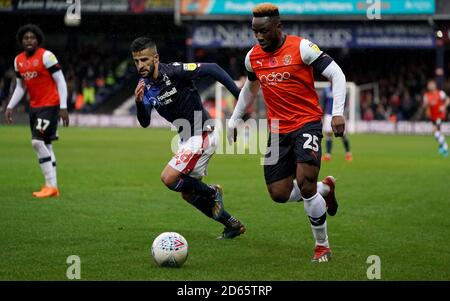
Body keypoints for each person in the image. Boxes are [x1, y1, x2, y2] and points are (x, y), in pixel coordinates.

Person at [227, 3, 346, 262]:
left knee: (304, 184)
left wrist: (337, 111)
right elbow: (250, 87)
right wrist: (234, 119)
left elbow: (336, 73)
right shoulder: (253, 57)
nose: (259, 37)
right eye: (255, 32)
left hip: (307, 123)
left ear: (278, 27)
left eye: (264, 31)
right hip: (277, 130)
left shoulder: (301, 47)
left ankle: (322, 246)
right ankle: (325, 189)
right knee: (278, 194)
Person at [130, 37, 246, 239]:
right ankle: (232, 225)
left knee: (168, 178)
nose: (140, 65)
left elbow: (213, 68)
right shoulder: (145, 87)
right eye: (137, 61)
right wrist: (139, 103)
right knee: (188, 192)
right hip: (187, 138)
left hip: (203, 132)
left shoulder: (175, 71)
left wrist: (240, 96)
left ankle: (212, 191)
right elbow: (145, 122)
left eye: (145, 60)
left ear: (156, 58)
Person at [5, 24, 69, 198]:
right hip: (34, 107)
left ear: (38, 40)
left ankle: (50, 185)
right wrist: (10, 106)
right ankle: (53, 187)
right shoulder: (18, 60)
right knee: (46, 144)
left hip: (50, 105)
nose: (29, 40)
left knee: (37, 142)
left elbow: (61, 81)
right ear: (21, 41)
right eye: (25, 38)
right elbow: (20, 87)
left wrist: (63, 106)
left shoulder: (47, 56)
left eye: (32, 37)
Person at [321, 84, 353, 162]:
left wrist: (343, 112)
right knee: (328, 134)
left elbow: (345, 102)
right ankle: (328, 155)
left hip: (339, 114)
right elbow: (323, 103)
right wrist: (322, 115)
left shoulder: (340, 89)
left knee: (342, 134)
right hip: (328, 114)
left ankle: (348, 153)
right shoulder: (326, 90)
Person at [423, 79, 449, 157]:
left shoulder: (440, 93)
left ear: (435, 85)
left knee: (434, 131)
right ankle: (441, 147)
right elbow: (425, 106)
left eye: (431, 84)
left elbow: (448, 100)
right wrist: (426, 108)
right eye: (429, 85)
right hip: (433, 117)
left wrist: (444, 106)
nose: (430, 86)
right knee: (437, 133)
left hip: (440, 115)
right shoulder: (427, 95)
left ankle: (445, 147)